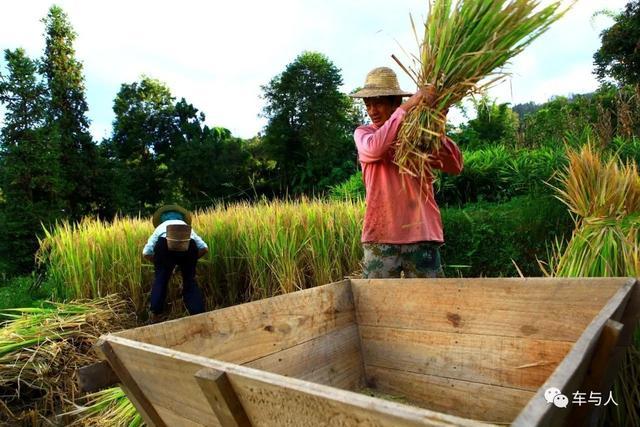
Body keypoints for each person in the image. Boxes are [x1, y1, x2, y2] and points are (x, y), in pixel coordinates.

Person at [350, 67, 463, 278]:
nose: (372, 110)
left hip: (422, 234)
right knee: (377, 306)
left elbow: (455, 164)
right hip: (380, 237)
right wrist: (410, 106)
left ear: (394, 102)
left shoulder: (418, 136)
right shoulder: (365, 134)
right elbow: (376, 148)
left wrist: (436, 126)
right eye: (368, 104)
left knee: (429, 306)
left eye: (379, 103)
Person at [142, 204, 207, 322]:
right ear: (181, 218)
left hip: (164, 247)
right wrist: (189, 262)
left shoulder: (160, 227)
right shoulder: (188, 228)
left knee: (161, 279)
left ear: (162, 219)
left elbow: (146, 252)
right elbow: (204, 248)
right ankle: (198, 315)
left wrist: (160, 264)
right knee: (190, 282)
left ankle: (156, 315)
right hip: (189, 246)